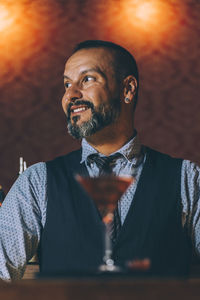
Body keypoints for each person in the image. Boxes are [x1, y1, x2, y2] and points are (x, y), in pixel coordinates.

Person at [0, 40, 200, 280]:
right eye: (66, 84)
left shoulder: (186, 178)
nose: (70, 95)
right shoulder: (36, 182)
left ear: (127, 89)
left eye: (87, 79)